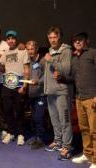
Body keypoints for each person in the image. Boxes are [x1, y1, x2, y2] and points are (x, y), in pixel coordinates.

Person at [43, 26, 73, 161]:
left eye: (55, 37)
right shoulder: (50, 50)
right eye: (50, 37)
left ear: (59, 37)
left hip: (62, 92)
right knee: (54, 120)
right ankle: (58, 141)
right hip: (51, 91)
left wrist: (51, 60)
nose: (52, 40)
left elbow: (66, 70)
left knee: (65, 121)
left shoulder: (66, 51)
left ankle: (67, 146)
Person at [0, 30, 29, 145]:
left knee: (19, 110)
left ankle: (20, 134)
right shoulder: (5, 53)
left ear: (16, 39)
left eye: (13, 38)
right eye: (8, 39)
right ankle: (11, 132)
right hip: (6, 85)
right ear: (7, 40)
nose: (11, 40)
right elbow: (2, 70)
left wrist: (24, 85)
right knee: (7, 110)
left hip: (19, 85)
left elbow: (26, 69)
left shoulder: (22, 50)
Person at [67, 33, 96, 168]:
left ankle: (95, 160)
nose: (77, 42)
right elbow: (73, 78)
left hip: (92, 98)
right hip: (79, 98)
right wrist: (60, 77)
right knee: (84, 129)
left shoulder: (93, 53)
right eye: (75, 40)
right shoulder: (74, 57)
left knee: (94, 130)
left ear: (86, 41)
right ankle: (88, 154)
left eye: (80, 40)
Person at [26, 41, 46, 149]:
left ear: (36, 49)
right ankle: (37, 137)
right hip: (32, 94)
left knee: (39, 117)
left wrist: (38, 81)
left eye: (32, 49)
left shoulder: (42, 60)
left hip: (41, 94)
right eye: (28, 49)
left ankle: (41, 139)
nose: (30, 51)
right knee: (34, 118)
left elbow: (47, 76)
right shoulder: (30, 61)